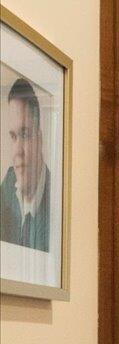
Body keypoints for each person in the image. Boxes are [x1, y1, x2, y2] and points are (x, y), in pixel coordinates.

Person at [2, 77, 52, 251]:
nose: (17, 151)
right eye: (13, 137)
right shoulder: (7, 184)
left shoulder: (55, 200)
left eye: (24, 135)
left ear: (39, 139)